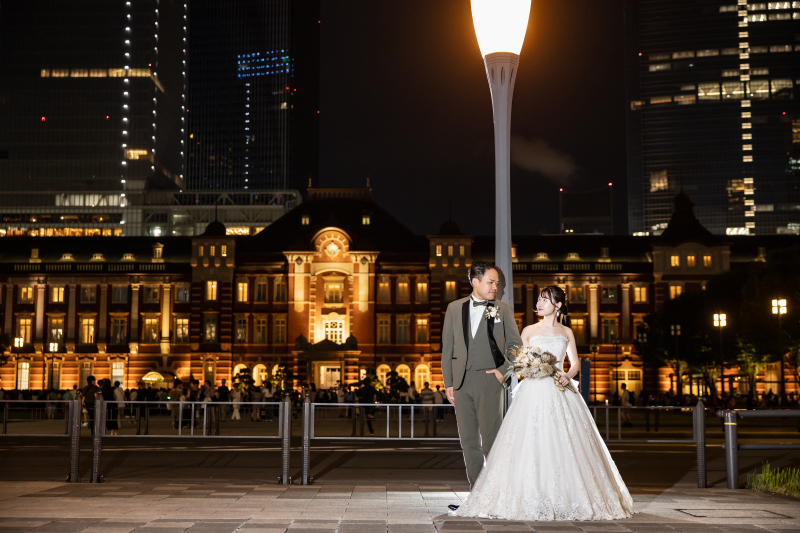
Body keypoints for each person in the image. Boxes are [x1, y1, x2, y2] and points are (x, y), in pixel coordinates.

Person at [452, 285, 633, 521]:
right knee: (530, 441)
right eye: (538, 299)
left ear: (557, 306)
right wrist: (525, 370)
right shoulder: (528, 330)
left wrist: (569, 374)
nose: (539, 303)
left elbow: (575, 363)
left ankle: (567, 497)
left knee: (565, 442)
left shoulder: (566, 332)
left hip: (560, 388)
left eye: (545, 300)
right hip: (533, 390)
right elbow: (518, 362)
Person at [441, 262, 522, 494]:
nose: (496, 286)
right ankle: (477, 492)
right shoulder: (454, 308)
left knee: (491, 440)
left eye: (497, 283)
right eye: (491, 282)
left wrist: (503, 371)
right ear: (475, 282)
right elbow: (448, 347)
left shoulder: (502, 310)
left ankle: (497, 491)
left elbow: (516, 346)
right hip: (461, 383)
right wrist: (449, 382)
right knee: (468, 441)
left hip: (489, 381)